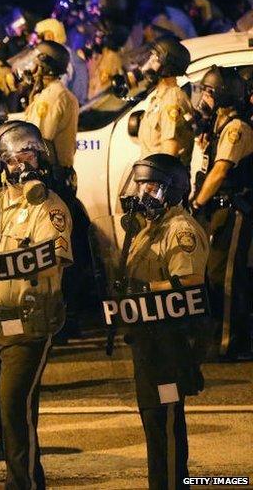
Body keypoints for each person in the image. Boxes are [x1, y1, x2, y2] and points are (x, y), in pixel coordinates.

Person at [0, 121, 72, 490]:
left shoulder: (51, 207)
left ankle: (22, 485)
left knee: (13, 403)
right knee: (5, 414)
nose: (22, 164)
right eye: (14, 158)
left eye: (29, 155)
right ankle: (28, 479)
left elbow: (54, 261)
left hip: (30, 324)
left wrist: (8, 265)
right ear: (2, 164)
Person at [117, 153, 209, 489]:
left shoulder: (180, 229)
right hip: (149, 338)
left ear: (171, 190)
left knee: (165, 420)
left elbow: (189, 282)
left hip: (171, 341)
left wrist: (146, 289)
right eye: (139, 185)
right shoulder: (150, 228)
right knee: (153, 420)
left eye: (150, 187)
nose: (141, 193)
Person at [190, 66, 253, 360]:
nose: (204, 97)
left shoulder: (236, 128)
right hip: (219, 209)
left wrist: (197, 203)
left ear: (225, 95)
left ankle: (231, 344)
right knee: (214, 275)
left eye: (209, 92)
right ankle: (221, 338)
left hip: (233, 209)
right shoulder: (219, 125)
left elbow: (220, 171)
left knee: (225, 276)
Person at [13, 40, 79, 191]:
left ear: (44, 66)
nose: (31, 66)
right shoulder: (58, 93)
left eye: (35, 62)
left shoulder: (51, 97)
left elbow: (38, 138)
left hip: (51, 176)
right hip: (60, 174)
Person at [136, 37, 195, 166]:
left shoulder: (172, 100)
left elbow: (169, 153)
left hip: (161, 175)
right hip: (150, 172)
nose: (150, 61)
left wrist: (154, 178)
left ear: (167, 66)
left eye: (155, 58)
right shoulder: (159, 98)